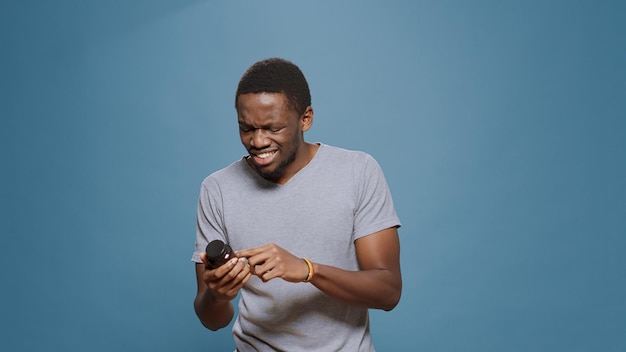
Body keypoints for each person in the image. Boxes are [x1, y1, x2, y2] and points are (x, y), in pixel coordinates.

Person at [192, 57, 402, 351]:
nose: (258, 141)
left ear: (306, 118)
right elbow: (212, 319)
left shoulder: (358, 171)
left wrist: (307, 270)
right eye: (246, 128)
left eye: (272, 128)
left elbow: (388, 291)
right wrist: (217, 295)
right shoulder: (217, 189)